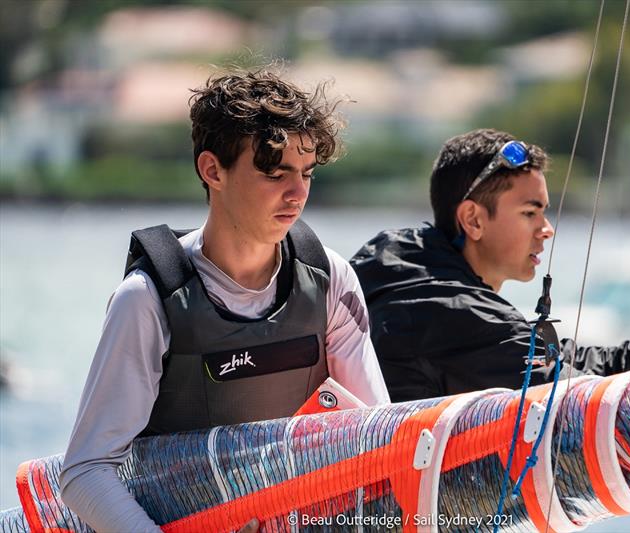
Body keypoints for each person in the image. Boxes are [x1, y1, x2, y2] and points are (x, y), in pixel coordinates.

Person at [60, 68, 390, 532]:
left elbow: (376, 440)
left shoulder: (331, 278)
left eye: (306, 174)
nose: (296, 195)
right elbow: (85, 472)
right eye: (274, 173)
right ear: (213, 170)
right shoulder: (147, 299)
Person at [350, 128, 630, 402]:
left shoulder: (399, 260)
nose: (547, 229)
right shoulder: (447, 310)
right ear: (473, 219)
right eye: (530, 212)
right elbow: (583, 394)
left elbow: (573, 361)